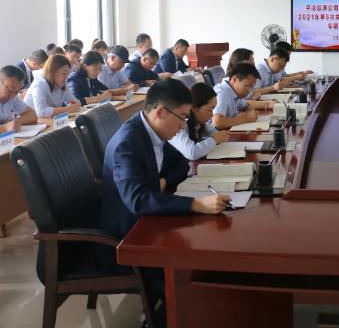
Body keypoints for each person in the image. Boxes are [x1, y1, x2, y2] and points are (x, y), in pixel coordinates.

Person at [100, 79, 229, 327]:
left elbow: (181, 165)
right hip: (127, 237)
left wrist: (162, 180)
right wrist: (194, 205)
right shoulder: (129, 143)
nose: (183, 126)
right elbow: (138, 200)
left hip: (150, 221)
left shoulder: (153, 131)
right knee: (194, 280)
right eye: (182, 117)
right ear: (160, 112)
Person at [169, 83, 230, 160]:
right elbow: (192, 153)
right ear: (194, 107)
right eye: (209, 110)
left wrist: (220, 135)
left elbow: (215, 133)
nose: (212, 115)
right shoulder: (179, 124)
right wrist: (214, 139)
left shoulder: (200, 123)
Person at [212, 63, 269, 129]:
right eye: (247, 86)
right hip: (218, 133)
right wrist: (246, 118)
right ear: (234, 79)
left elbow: (246, 104)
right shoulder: (223, 94)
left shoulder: (234, 92)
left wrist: (269, 104)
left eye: (251, 88)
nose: (249, 91)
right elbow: (217, 122)